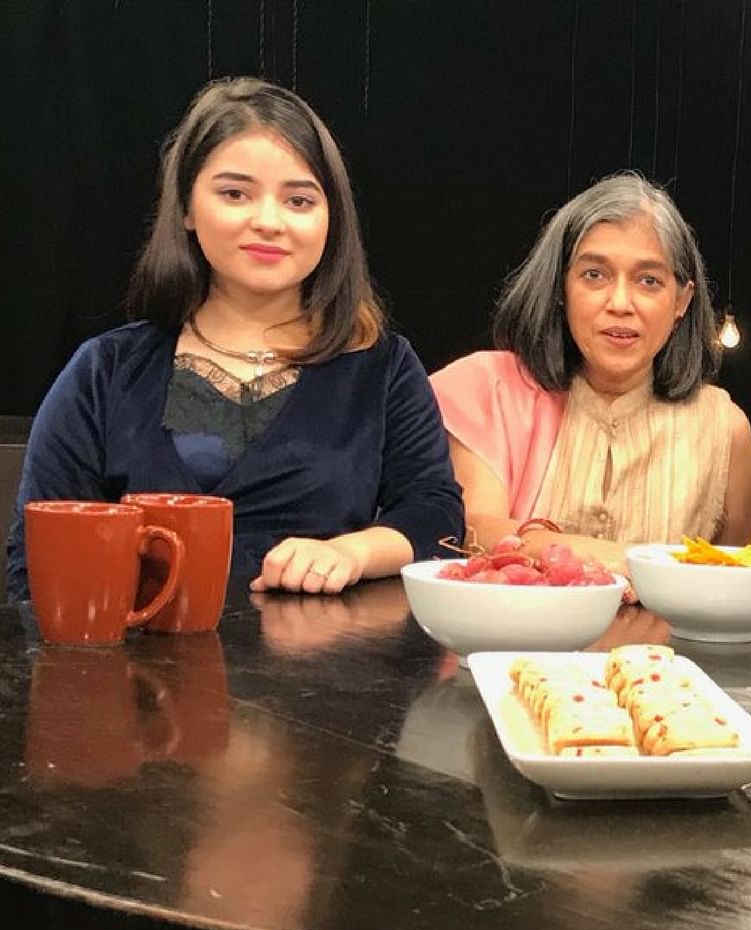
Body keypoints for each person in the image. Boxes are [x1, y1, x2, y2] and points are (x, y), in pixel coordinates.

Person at [4, 78, 461, 600]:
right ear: (187, 208)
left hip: (322, 672)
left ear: (331, 220)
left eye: (299, 201)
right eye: (234, 193)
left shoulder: (383, 367)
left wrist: (351, 552)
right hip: (130, 668)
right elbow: (36, 559)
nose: (268, 222)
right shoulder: (104, 370)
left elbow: (436, 517)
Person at [431, 173, 751, 569]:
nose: (620, 302)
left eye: (649, 281)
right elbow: (475, 531)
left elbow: (730, 581)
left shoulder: (725, 429)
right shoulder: (489, 389)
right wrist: (612, 558)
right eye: (594, 275)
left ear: (681, 302)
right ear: (560, 288)